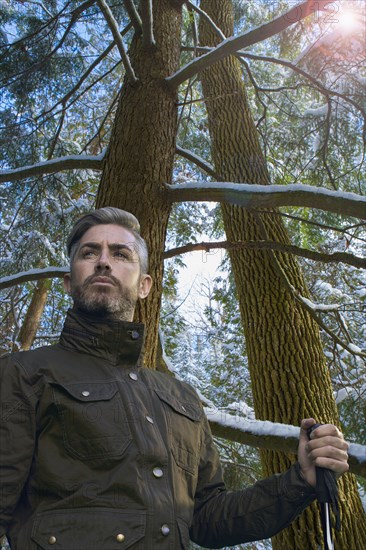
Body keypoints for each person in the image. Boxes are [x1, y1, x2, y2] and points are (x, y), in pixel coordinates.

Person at [0, 207, 349, 550]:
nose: (103, 261)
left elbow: (209, 517)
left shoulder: (181, 397)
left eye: (121, 254)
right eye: (89, 252)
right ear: (68, 281)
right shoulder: (24, 373)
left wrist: (299, 480)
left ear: (145, 286)